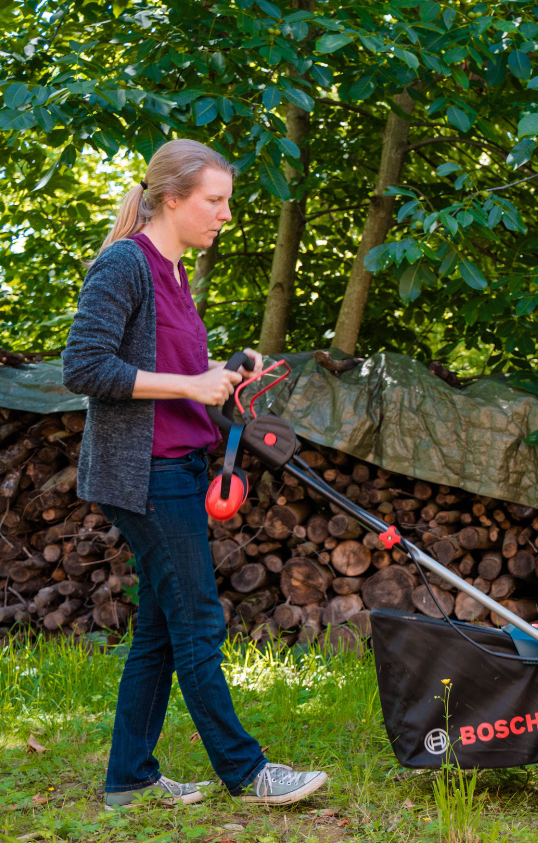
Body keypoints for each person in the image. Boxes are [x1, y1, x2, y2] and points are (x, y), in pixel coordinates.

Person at [62, 139, 328, 809]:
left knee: (158, 626)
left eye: (227, 201)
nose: (226, 215)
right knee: (198, 622)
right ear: (173, 200)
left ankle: (130, 779)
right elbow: (84, 368)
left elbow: (177, 380)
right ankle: (247, 772)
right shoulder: (126, 265)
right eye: (215, 201)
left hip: (179, 462)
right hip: (144, 475)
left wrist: (221, 382)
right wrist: (190, 381)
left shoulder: (177, 274)